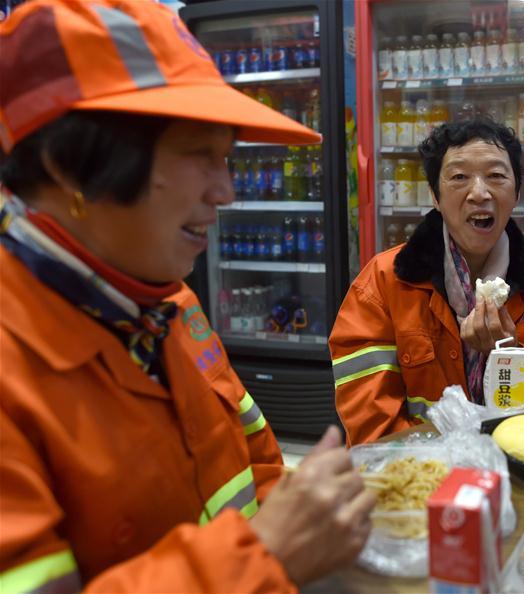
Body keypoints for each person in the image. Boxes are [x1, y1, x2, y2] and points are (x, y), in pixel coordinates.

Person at [0, 2, 374, 592]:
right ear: (68, 165)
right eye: (199, 155)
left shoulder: (170, 305)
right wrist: (264, 555)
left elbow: (259, 471)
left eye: (227, 158)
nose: (225, 192)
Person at [330, 119, 524, 446]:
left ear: (517, 193)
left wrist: (512, 358)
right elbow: (371, 424)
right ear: (435, 197)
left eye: (496, 176)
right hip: (421, 479)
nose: (479, 193)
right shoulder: (382, 284)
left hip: (521, 469)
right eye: (459, 177)